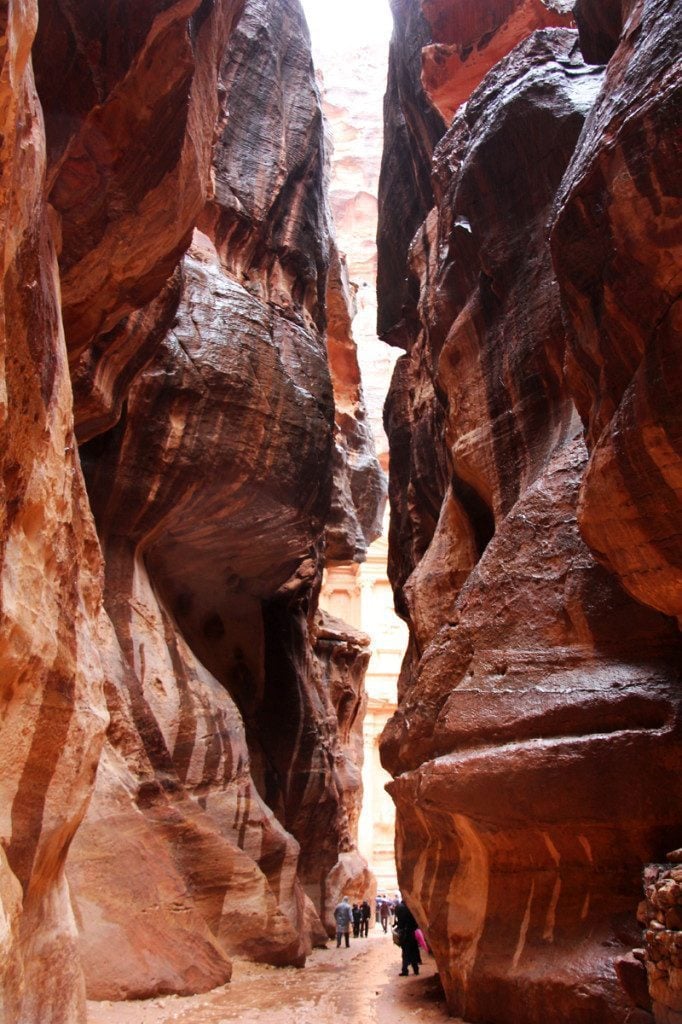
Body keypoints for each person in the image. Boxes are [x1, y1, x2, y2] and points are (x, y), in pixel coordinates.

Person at [395, 899, 420, 976]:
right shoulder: (412, 910)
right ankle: (416, 969)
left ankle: (405, 970)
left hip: (405, 936)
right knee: (413, 952)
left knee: (405, 953)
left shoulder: (401, 910)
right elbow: (416, 924)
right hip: (412, 935)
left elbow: (400, 924)